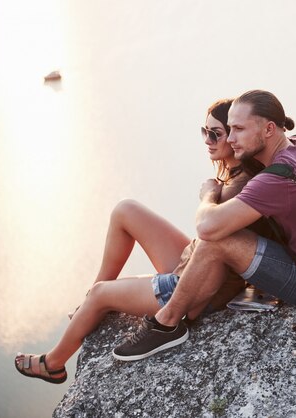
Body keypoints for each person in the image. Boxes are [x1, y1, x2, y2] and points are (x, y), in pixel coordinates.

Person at [14, 98, 269, 383]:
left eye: (215, 134)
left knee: (102, 294)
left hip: (194, 289)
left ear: (235, 136)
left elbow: (215, 244)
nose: (207, 140)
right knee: (126, 210)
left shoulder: (236, 189)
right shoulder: (237, 174)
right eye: (204, 131)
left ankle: (53, 362)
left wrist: (208, 195)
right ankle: (89, 300)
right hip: (196, 265)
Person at [112, 89, 296, 361]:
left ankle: (167, 323)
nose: (232, 137)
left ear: (270, 128)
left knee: (217, 238)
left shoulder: (276, 179)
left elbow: (207, 227)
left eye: (238, 129)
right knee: (224, 229)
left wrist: (209, 195)